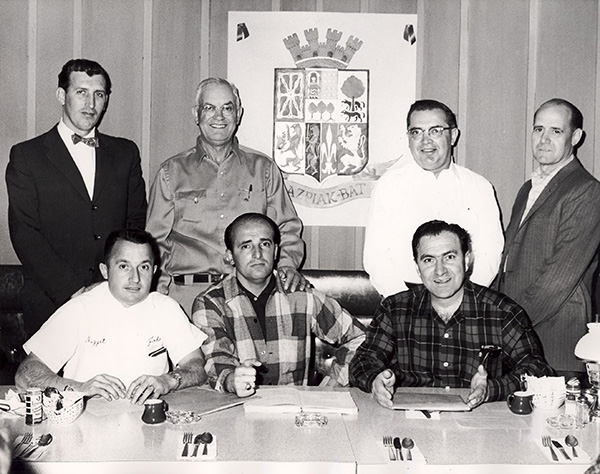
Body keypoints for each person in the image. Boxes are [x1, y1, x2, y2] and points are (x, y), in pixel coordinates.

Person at [6, 59, 147, 336]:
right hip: (52, 300)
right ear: (62, 95)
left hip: (114, 298)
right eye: (81, 92)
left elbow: (135, 223)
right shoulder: (27, 155)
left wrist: (110, 285)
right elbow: (25, 232)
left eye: (99, 94)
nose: (91, 104)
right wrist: (73, 290)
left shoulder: (125, 153)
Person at [350, 220, 553, 409]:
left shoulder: (502, 312)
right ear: (418, 268)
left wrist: (490, 388)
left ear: (466, 261)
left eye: (449, 257)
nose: (440, 271)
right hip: (410, 421)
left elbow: (537, 369)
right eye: (429, 260)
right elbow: (363, 361)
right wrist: (375, 380)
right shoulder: (395, 309)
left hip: (481, 424)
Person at [146, 77, 305, 314]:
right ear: (196, 114)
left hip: (250, 297)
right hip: (186, 300)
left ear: (238, 114)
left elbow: (287, 229)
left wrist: (287, 266)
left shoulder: (264, 169)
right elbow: (154, 244)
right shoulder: (171, 173)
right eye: (209, 108)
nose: (219, 117)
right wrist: (158, 301)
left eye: (227, 108)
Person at [15, 229, 207, 405]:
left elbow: (196, 366)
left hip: (148, 421)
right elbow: (26, 373)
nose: (135, 278)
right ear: (105, 271)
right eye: (124, 266)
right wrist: (79, 388)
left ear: (154, 271)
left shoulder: (166, 308)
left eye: (144, 267)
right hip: (87, 422)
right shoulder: (79, 309)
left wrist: (168, 380)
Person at [192, 213, 365, 397]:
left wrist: (330, 387)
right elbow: (215, 361)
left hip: (295, 414)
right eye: (246, 246)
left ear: (275, 252)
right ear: (230, 256)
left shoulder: (302, 296)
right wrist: (232, 380)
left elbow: (361, 338)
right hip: (236, 408)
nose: (257, 254)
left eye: (265, 244)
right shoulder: (210, 303)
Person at [496, 99, 600, 376]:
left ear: (575, 137)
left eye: (556, 131)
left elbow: (559, 277)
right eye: (538, 129)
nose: (543, 139)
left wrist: (507, 323)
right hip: (519, 338)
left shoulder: (587, 190)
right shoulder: (527, 188)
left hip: (556, 340)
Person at [363, 99, 504, 298]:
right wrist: (406, 305)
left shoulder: (479, 187)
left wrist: (465, 300)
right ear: (408, 138)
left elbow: (490, 252)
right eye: (416, 132)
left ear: (453, 135)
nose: (425, 141)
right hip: (405, 299)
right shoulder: (389, 186)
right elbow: (376, 257)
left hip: (464, 299)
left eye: (435, 131)